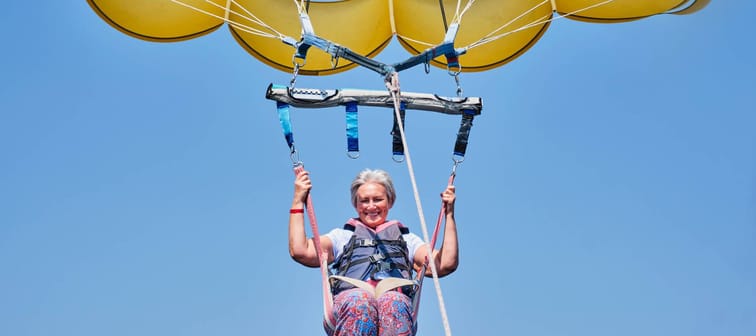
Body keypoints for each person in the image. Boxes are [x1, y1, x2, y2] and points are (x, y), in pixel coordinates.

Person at [288, 168, 459, 336]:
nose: (371, 206)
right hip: (352, 303)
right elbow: (300, 250)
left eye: (377, 199)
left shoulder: (408, 241)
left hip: (394, 304)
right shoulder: (342, 237)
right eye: (364, 200)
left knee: (393, 302)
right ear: (355, 204)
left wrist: (449, 214)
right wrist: (298, 199)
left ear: (390, 201)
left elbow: (445, 263)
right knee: (360, 301)